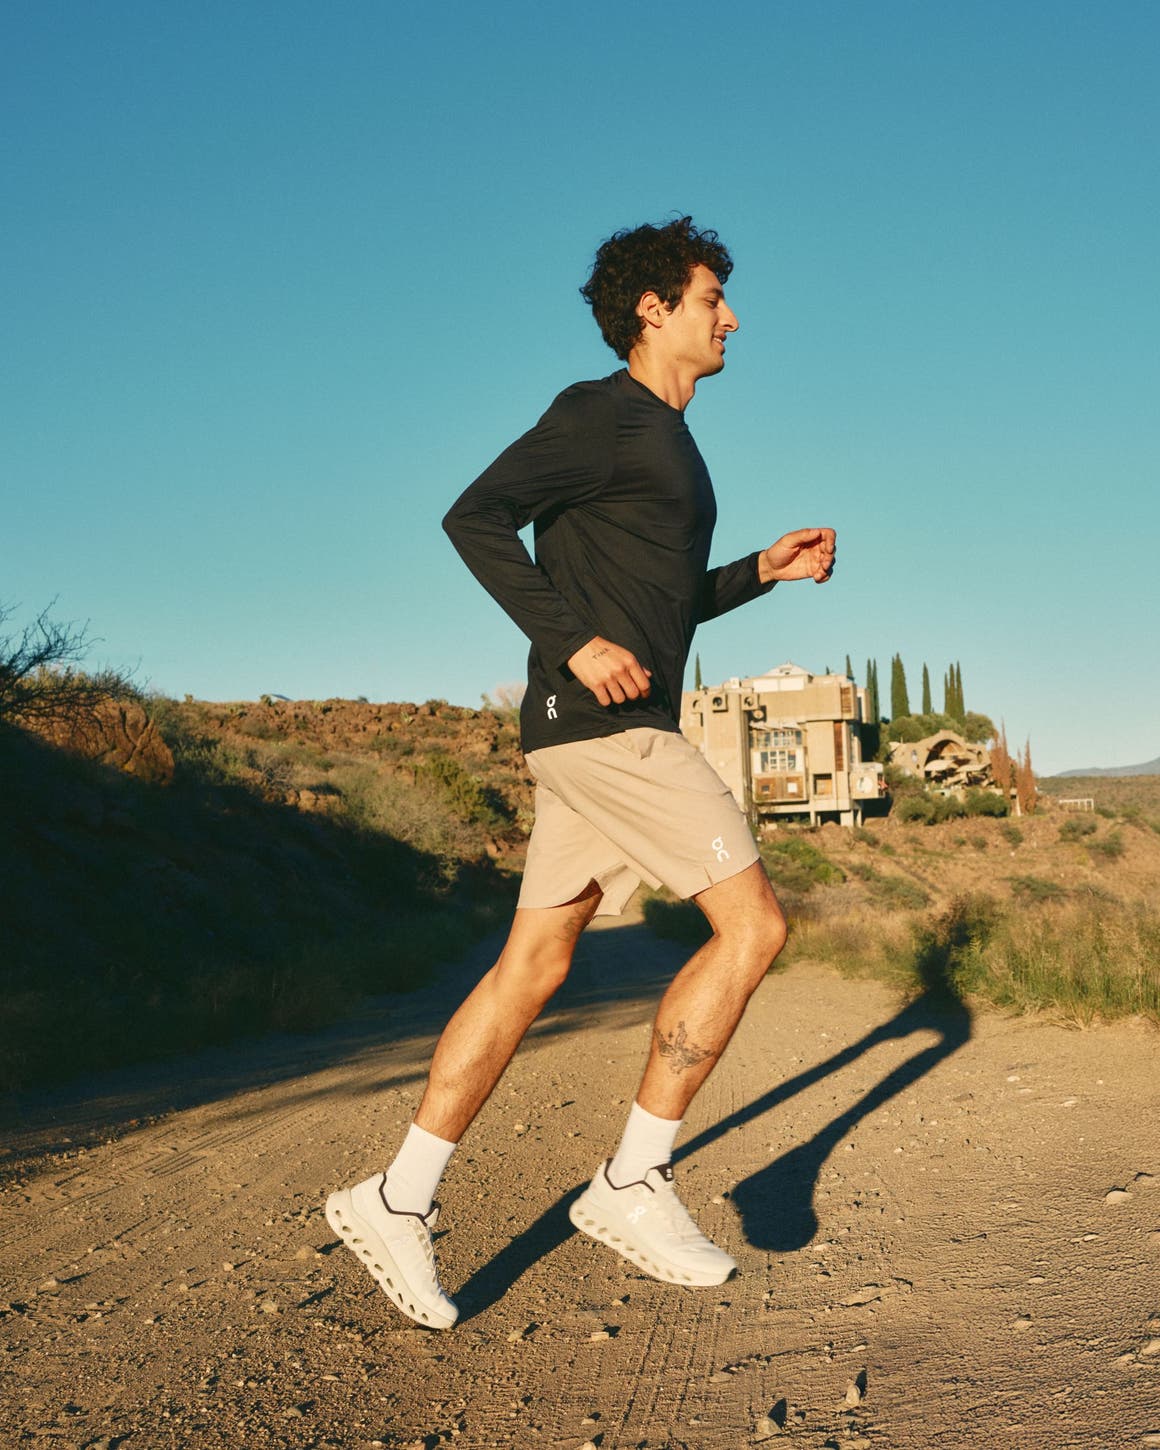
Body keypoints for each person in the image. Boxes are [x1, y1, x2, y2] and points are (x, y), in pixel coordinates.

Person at [325, 216, 836, 1330]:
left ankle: (394, 1199)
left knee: (532, 966)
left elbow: (660, 604)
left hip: (595, 728)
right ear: (653, 308)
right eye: (712, 297)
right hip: (610, 729)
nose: (730, 316)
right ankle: (630, 1181)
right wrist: (571, 643)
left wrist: (761, 571)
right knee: (751, 929)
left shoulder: (667, 442)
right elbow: (473, 517)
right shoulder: (597, 414)